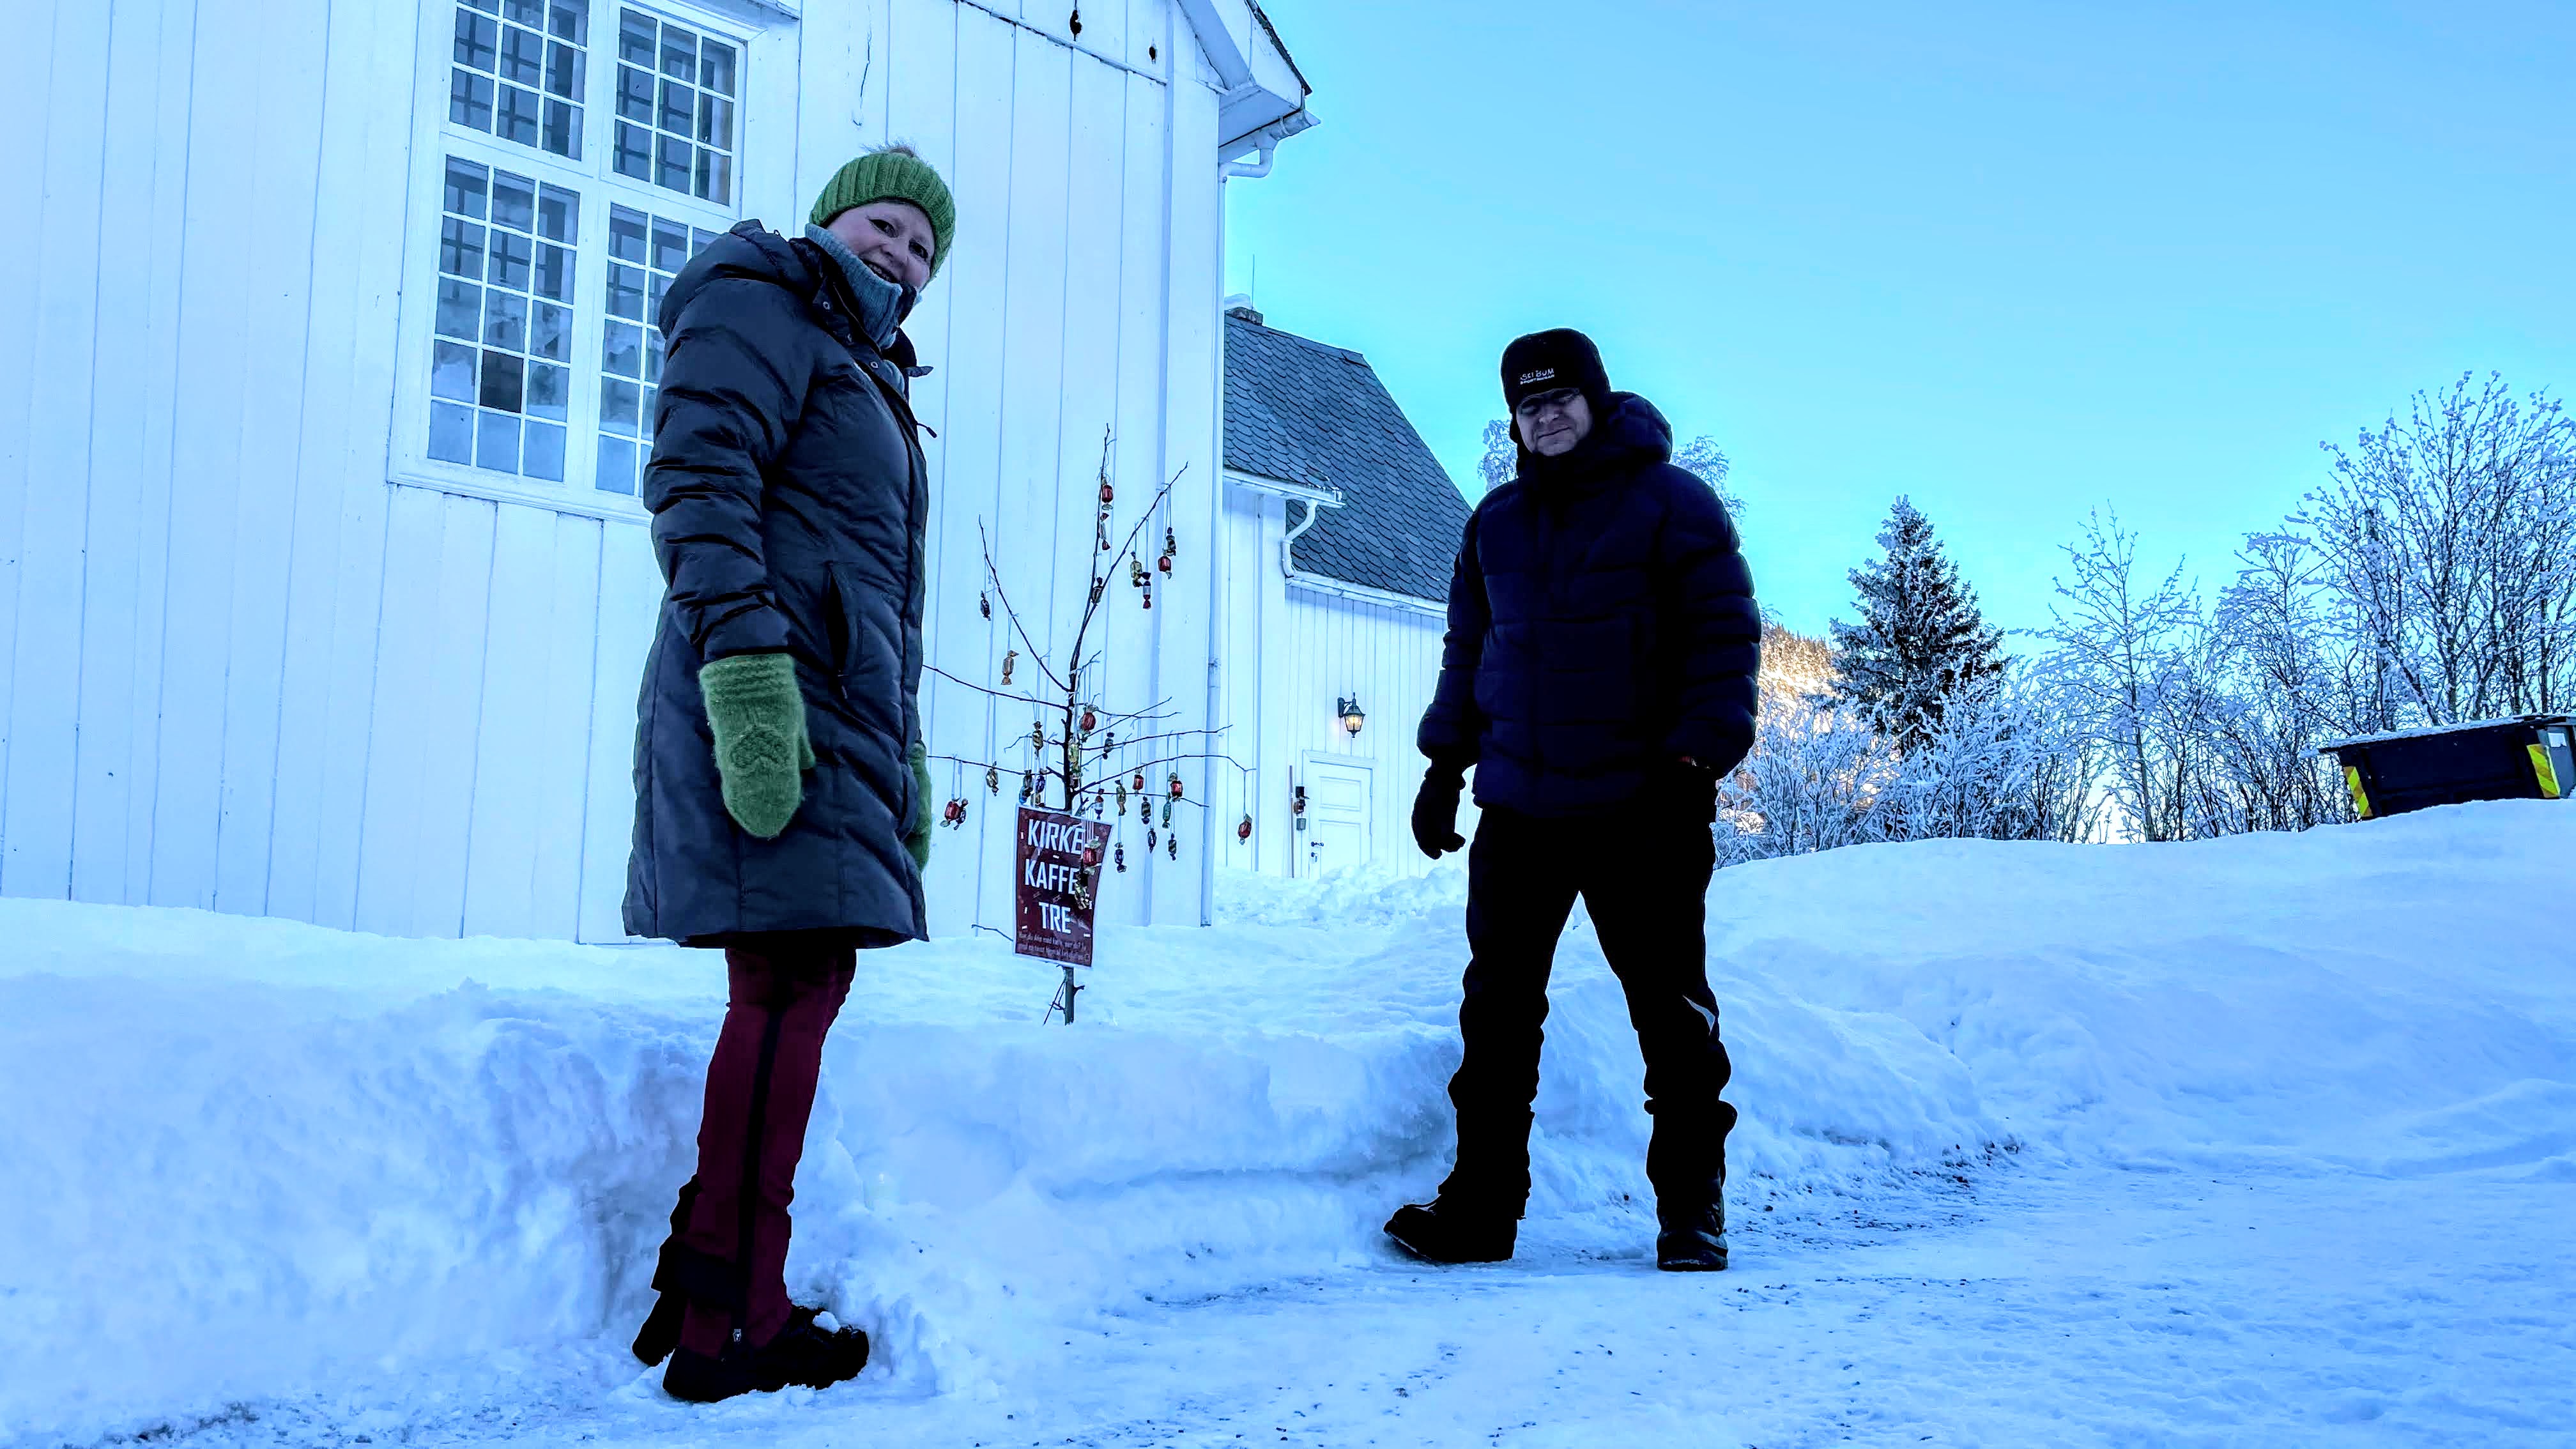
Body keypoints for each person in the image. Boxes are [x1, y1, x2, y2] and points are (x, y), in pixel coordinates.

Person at [620, 144, 955, 1402]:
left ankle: (711, 1283)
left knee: (796, 982)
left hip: (833, 714)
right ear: (833, 219)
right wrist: (748, 679)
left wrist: (899, 746)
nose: (901, 255)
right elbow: (699, 486)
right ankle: (734, 1323)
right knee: (786, 984)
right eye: (885, 225)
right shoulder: (763, 301)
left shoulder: (865, 366)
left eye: (924, 249)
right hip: (767, 698)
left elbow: (870, 588)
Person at [1391, 328, 1760, 1273]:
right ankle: (1482, 1207)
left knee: (1671, 1013)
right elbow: (1470, 651)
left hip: (1646, 804)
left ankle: (1691, 1208)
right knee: (1498, 1014)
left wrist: (1693, 765)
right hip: (1519, 808)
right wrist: (1444, 767)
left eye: (1561, 398)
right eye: (1528, 403)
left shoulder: (1674, 506)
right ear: (1513, 418)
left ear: (1597, 400)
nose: (1546, 415)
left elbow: (1724, 642)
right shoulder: (1495, 524)